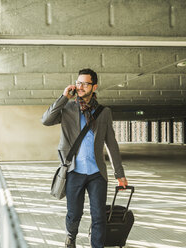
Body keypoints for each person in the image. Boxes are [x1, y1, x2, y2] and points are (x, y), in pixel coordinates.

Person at [41, 68, 128, 248]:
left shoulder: (104, 112)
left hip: (97, 173)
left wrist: (119, 174)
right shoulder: (67, 108)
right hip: (74, 171)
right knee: (74, 213)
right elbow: (46, 120)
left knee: (99, 216)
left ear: (94, 86)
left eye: (84, 83)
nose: (80, 86)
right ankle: (71, 236)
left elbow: (111, 144)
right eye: (78, 82)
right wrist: (64, 96)